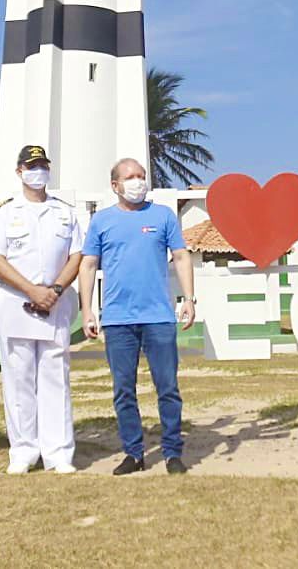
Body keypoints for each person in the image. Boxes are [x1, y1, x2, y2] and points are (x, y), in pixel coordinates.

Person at [79, 158, 196, 475]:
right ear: (115, 185)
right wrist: (88, 309)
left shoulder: (163, 216)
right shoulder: (102, 221)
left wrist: (188, 298)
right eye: (130, 176)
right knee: (124, 390)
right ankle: (134, 453)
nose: (138, 181)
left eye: (142, 176)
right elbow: (88, 265)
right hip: (117, 319)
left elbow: (182, 257)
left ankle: (172, 452)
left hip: (158, 316)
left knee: (167, 387)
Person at [0, 145, 85, 474]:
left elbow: (76, 256)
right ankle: (24, 450)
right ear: (19, 171)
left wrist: (53, 290)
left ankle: (58, 453)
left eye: (42, 165)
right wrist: (31, 290)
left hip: (54, 305)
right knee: (19, 380)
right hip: (16, 303)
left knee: (56, 378)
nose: (37, 171)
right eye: (31, 165)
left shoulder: (64, 213)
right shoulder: (4, 213)